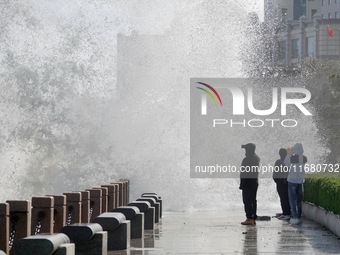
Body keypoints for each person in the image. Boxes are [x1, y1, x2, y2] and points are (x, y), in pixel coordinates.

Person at [285, 143, 307, 225]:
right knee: (299, 200)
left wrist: (289, 152)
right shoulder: (304, 158)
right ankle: (298, 216)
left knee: (292, 200)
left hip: (292, 181)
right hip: (300, 181)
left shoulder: (293, 157)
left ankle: (295, 217)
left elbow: (285, 163)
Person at [239, 143, 260, 226]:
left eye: (246, 149)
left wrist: (242, 184)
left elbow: (244, 173)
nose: (245, 151)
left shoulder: (247, 159)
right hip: (254, 182)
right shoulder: (256, 158)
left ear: (249, 150)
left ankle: (249, 218)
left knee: (247, 201)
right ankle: (253, 218)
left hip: (248, 183)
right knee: (253, 200)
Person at [273, 148, 291, 220]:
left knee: (283, 199)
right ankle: (287, 212)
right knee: (287, 198)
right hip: (287, 182)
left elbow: (275, 173)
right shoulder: (289, 162)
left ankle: (286, 213)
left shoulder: (278, 162)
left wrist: (277, 181)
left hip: (281, 183)